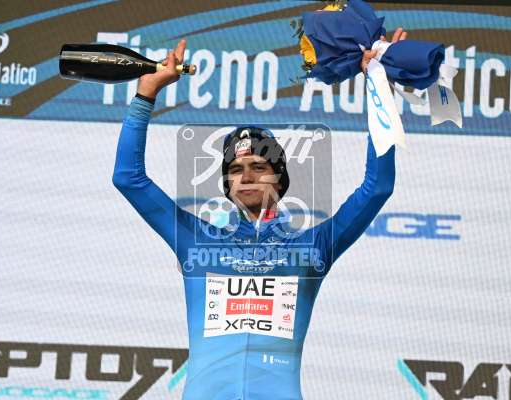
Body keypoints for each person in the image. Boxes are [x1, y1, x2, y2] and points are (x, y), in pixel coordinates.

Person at [113, 29, 407, 400]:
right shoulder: (195, 241)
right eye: (236, 170)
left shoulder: (313, 246)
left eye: (259, 167)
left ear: (279, 179)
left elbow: (377, 186)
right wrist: (146, 94)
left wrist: (381, 90)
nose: (247, 177)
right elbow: (128, 178)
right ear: (227, 186)